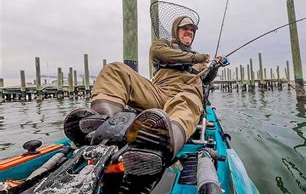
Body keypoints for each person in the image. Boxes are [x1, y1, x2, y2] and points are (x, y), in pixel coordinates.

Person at [64, 15, 222, 177]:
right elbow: (158, 53)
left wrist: (214, 67)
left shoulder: (201, 63)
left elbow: (207, 79)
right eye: (185, 28)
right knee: (115, 70)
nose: (189, 32)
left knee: (186, 103)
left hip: (186, 94)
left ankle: (160, 149)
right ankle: (103, 126)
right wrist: (196, 57)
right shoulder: (164, 45)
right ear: (176, 30)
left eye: (192, 30)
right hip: (159, 92)